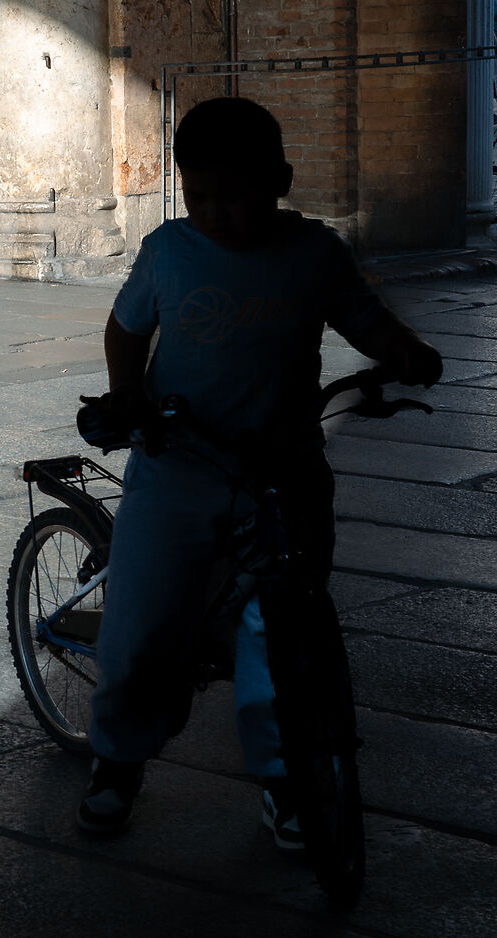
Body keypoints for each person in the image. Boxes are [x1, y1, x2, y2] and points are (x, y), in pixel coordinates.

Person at [76, 95, 441, 843]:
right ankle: (117, 758)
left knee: (281, 634)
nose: (217, 213)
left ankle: (285, 778)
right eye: (199, 195)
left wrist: (402, 349)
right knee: (139, 627)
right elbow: (126, 325)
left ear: (280, 179)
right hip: (179, 466)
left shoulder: (315, 254)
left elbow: (362, 317)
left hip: (284, 472)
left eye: (236, 196)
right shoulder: (170, 252)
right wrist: (127, 395)